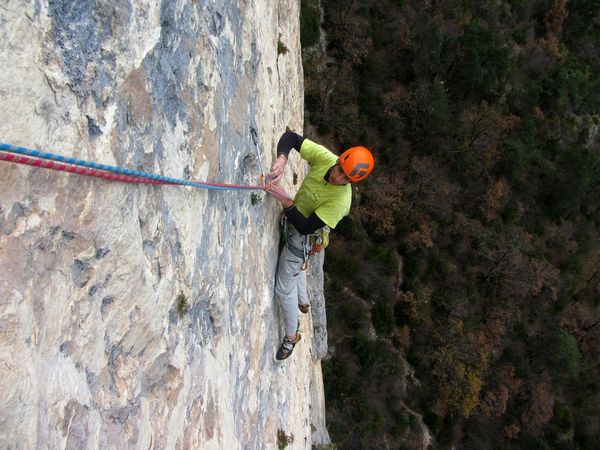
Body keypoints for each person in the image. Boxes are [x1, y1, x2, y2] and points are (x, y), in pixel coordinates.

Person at [264, 130, 374, 360]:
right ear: (339, 160)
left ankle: (291, 337)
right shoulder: (327, 158)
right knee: (294, 276)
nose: (338, 178)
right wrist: (282, 159)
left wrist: (285, 200)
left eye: (346, 179)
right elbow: (291, 139)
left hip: (303, 236)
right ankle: (303, 301)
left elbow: (305, 227)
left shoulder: (341, 201)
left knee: (283, 288)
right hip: (294, 218)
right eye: (340, 170)